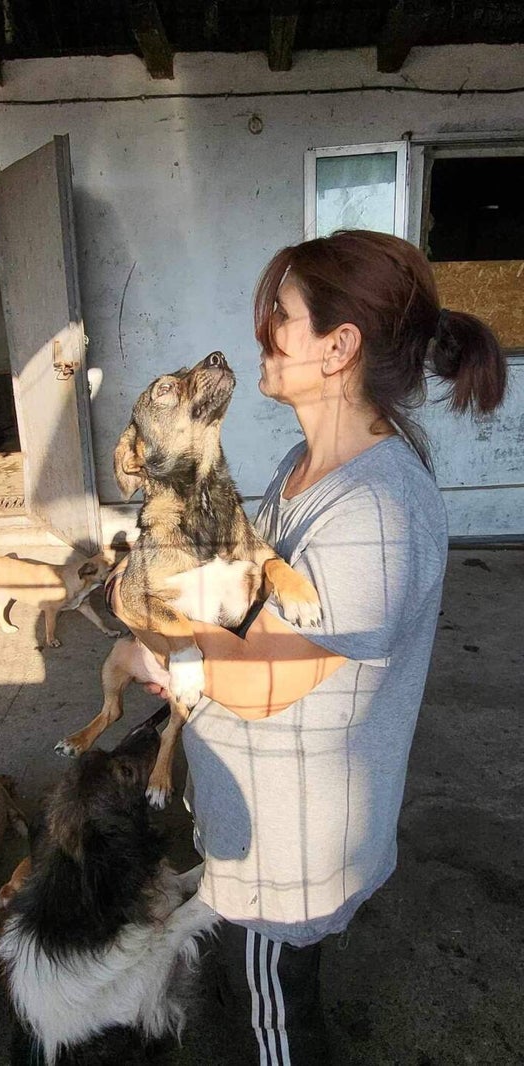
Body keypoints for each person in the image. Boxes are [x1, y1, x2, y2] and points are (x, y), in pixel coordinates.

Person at [146, 230, 507, 1064]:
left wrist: (162, 637)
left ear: (339, 346)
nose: (262, 331)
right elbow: (248, 603)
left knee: (278, 1021)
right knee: (261, 985)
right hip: (262, 806)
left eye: (281, 314)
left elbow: (257, 682)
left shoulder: (375, 511)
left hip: (294, 845)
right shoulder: (300, 464)